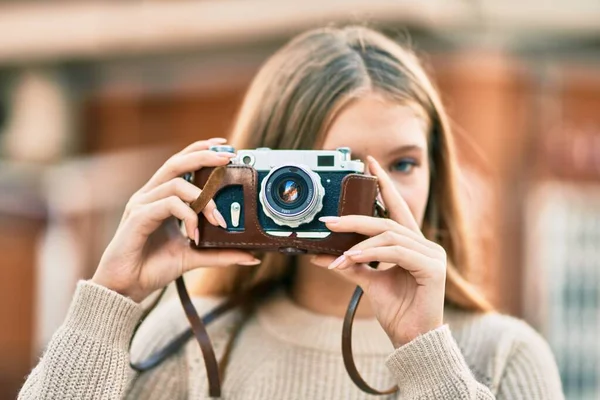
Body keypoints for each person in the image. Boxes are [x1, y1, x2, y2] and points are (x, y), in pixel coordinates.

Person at [19, 26, 564, 399]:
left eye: (402, 164)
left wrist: (428, 358)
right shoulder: (187, 340)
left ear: (436, 173)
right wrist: (111, 303)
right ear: (258, 177)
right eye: (338, 170)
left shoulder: (503, 356)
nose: (373, 194)